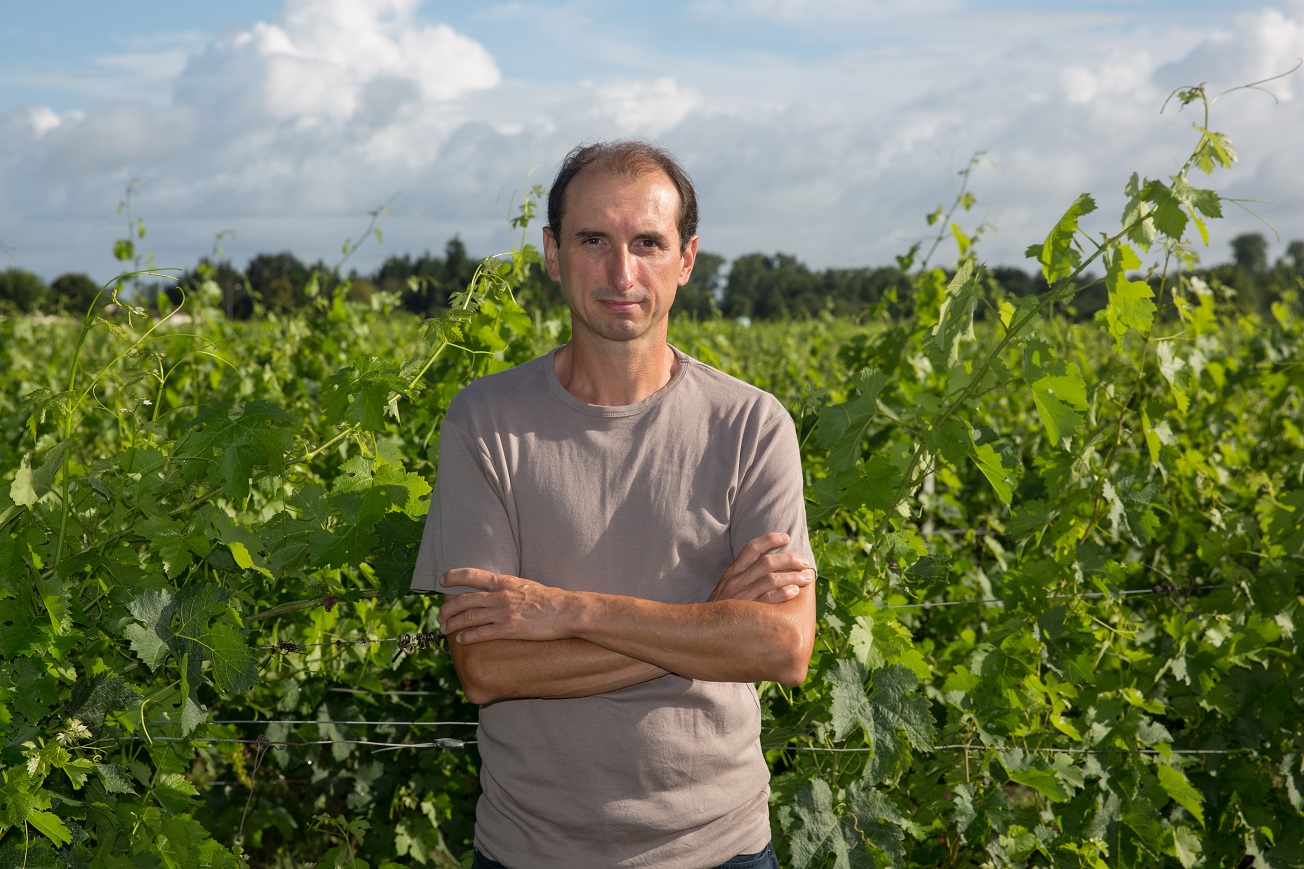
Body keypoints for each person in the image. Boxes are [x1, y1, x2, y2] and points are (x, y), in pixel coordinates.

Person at [411, 140, 817, 869]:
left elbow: (781, 647)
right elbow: (487, 667)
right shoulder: (484, 421)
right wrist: (706, 621)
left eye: (648, 243)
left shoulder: (753, 425)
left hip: (718, 849)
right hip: (528, 850)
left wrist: (567, 611)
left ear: (686, 260)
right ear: (552, 253)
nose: (621, 272)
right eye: (594, 240)